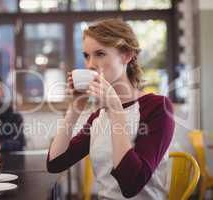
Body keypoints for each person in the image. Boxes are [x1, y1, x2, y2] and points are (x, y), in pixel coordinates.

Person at [47, 18, 175, 200]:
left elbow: (131, 185)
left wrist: (116, 109)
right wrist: (75, 108)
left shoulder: (158, 107)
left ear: (127, 55)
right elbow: (55, 163)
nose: (90, 64)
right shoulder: (99, 116)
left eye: (100, 53)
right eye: (86, 55)